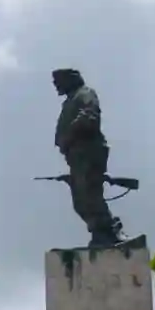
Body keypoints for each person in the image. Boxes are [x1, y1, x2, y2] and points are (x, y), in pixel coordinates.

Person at [52, 68, 122, 246]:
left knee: (90, 194)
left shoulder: (85, 94)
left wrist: (68, 136)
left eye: (59, 81)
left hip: (89, 152)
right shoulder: (70, 100)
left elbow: (89, 116)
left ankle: (110, 231)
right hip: (76, 156)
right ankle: (100, 231)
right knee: (81, 200)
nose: (56, 85)